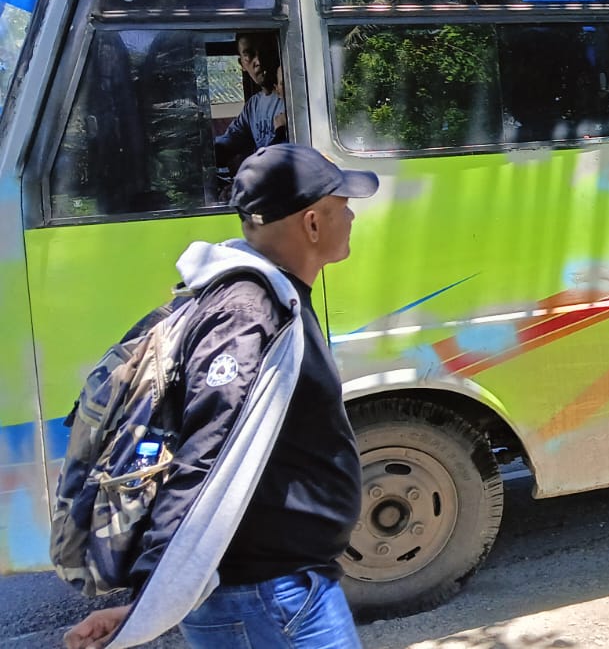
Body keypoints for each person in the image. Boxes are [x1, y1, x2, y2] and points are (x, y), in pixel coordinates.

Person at [65, 143, 378, 649]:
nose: (352, 216)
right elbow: (202, 455)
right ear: (312, 223)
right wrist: (150, 599)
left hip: (273, 593)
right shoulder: (248, 312)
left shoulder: (270, 296)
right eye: (343, 205)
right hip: (265, 601)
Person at [216, 32, 287, 174]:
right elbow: (231, 140)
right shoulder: (253, 106)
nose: (258, 61)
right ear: (242, 64)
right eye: (249, 55)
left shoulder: (289, 100)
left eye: (264, 52)